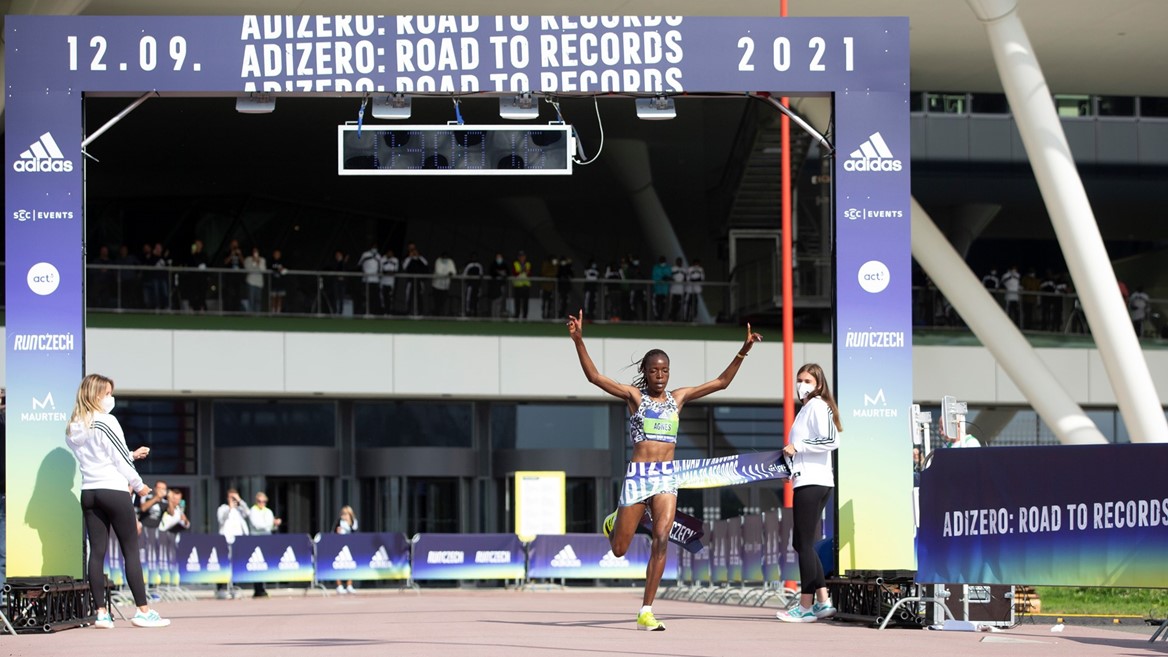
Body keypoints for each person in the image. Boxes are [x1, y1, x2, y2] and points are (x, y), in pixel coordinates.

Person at [567, 310, 762, 631]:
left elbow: (721, 382)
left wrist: (744, 350)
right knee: (618, 550)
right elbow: (595, 378)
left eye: (665, 370)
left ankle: (646, 609)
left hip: (666, 478)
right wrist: (578, 340)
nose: (660, 375)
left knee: (661, 538)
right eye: (654, 370)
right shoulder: (635, 397)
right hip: (638, 477)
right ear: (645, 372)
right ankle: (614, 521)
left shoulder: (678, 398)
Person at [64, 374, 170, 629]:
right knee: (130, 550)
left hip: (89, 491)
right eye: (108, 393)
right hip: (113, 490)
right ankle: (143, 611)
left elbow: (105, 456)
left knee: (97, 552)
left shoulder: (74, 425)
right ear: (97, 395)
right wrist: (139, 484)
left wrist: (132, 454)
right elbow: (119, 458)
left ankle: (101, 613)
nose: (111, 398)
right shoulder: (106, 421)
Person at [775, 363, 842, 623]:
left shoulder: (817, 406)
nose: (801, 384)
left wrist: (798, 446)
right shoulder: (806, 410)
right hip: (805, 480)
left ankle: (805, 606)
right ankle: (823, 601)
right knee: (802, 543)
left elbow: (832, 440)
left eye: (807, 380)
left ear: (818, 384)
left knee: (803, 544)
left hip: (814, 482)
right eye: (799, 379)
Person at [216, 488, 250, 599]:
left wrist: (239, 500)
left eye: (234, 497)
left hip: (237, 540)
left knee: (236, 564)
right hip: (225, 540)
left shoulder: (239, 510)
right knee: (224, 563)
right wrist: (230, 507)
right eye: (231, 497)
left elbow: (248, 512)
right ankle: (222, 587)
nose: (233, 499)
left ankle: (235, 586)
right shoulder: (223, 508)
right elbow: (221, 519)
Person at [248, 491, 281, 598]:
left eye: (264, 501)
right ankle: (257, 589)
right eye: (259, 501)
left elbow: (271, 527)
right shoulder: (253, 510)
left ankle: (262, 588)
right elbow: (257, 525)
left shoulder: (268, 511)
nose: (262, 503)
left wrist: (274, 524)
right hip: (256, 540)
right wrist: (270, 523)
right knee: (257, 563)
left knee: (265, 563)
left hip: (266, 539)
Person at [334, 505, 358, 594]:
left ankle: (349, 585)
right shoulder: (339, 522)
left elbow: (354, 532)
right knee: (338, 565)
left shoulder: (354, 522)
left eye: (347, 514)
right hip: (339, 546)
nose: (345, 515)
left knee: (350, 565)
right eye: (343, 514)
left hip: (350, 546)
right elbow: (334, 532)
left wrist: (348, 522)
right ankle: (339, 585)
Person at [243, 246, 267, 313]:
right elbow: (248, 269)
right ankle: (250, 313)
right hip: (251, 282)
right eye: (254, 251)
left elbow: (263, 270)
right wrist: (253, 262)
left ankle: (257, 314)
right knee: (251, 299)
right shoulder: (248, 259)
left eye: (256, 251)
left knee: (258, 300)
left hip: (259, 283)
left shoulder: (262, 259)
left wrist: (258, 262)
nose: (255, 253)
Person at [511, 251, 532, 320]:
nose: (522, 257)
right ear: (518, 257)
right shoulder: (515, 263)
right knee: (517, 302)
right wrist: (523, 271)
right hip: (518, 285)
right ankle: (517, 316)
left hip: (526, 285)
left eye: (523, 256)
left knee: (525, 302)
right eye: (520, 256)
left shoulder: (528, 264)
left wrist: (522, 271)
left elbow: (529, 273)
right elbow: (515, 273)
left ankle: (525, 317)